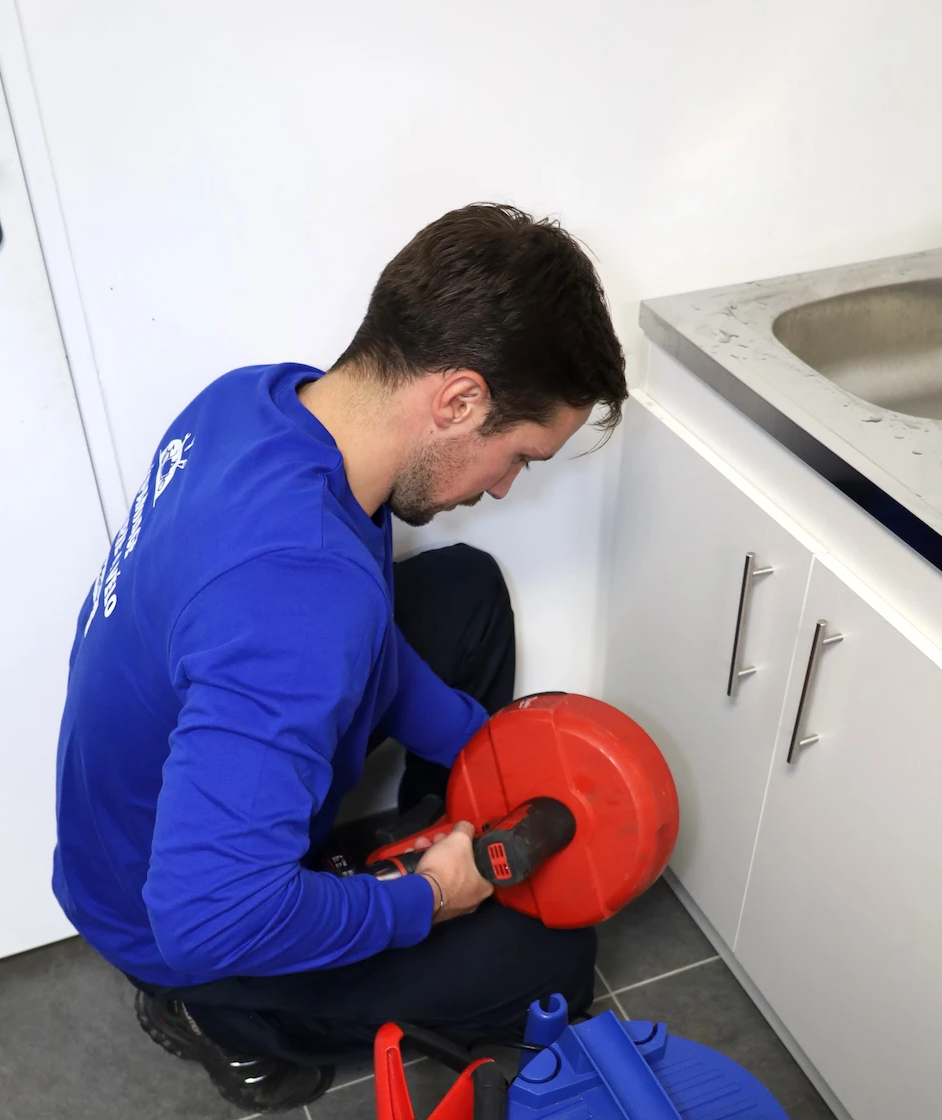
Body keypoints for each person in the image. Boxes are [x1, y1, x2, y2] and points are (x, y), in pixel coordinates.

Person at [52, 203, 628, 1111]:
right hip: (177, 919)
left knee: (466, 591)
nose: (510, 484)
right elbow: (208, 919)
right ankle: (223, 1019)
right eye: (519, 454)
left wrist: (484, 751)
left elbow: (356, 638)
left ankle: (416, 841)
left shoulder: (264, 401)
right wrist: (427, 903)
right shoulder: (298, 599)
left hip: (147, 816)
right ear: (460, 400)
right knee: (555, 960)